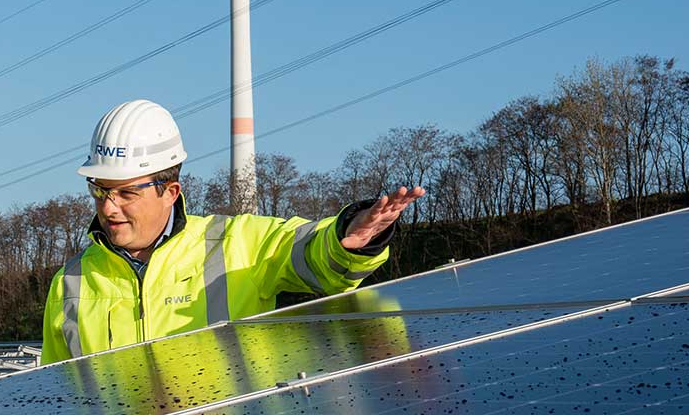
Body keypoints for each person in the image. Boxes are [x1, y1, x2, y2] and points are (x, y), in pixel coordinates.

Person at [42, 99, 423, 364]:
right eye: (100, 190)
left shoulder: (235, 244)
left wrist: (347, 241)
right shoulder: (70, 282)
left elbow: (311, 251)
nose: (108, 207)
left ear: (170, 192)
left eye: (126, 193)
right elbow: (55, 397)